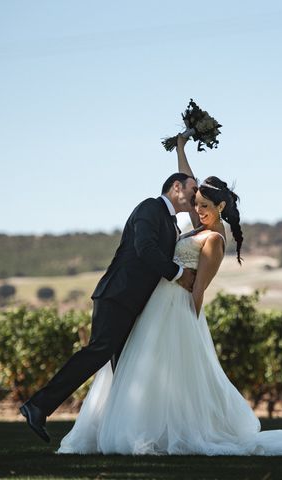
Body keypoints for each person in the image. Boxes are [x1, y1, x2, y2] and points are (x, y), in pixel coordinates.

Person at [56, 136, 282, 457]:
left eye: (205, 207)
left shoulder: (214, 239)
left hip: (177, 309)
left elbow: (199, 289)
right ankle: (137, 427)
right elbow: (188, 188)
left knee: (166, 370)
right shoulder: (197, 225)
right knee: (140, 369)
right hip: (156, 304)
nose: (198, 210)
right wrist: (181, 149)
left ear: (220, 208)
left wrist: (188, 326)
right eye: (197, 205)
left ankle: (159, 433)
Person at [19, 169, 199, 443]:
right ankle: (37, 406)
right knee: (99, 352)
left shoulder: (172, 223)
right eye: (191, 188)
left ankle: (121, 432)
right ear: (176, 187)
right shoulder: (150, 207)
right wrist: (178, 274)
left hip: (134, 303)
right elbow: (145, 248)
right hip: (117, 295)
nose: (195, 195)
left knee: (127, 368)